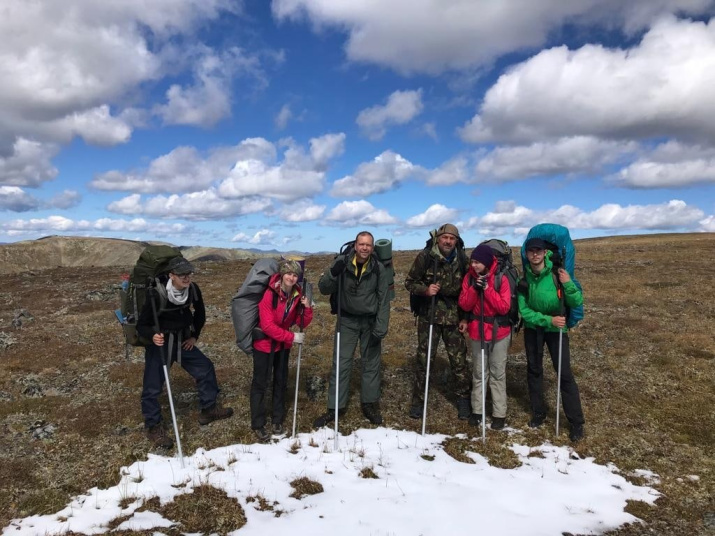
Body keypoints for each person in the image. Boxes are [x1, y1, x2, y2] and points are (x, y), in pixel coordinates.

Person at [137, 257, 233, 449]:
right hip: (161, 344)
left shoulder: (193, 290)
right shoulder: (157, 293)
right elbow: (142, 324)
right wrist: (153, 336)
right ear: (171, 275)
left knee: (205, 368)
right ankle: (153, 426)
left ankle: (208, 409)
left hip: (182, 340)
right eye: (182, 274)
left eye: (189, 273)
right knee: (153, 386)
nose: (187, 277)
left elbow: (200, 314)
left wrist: (194, 336)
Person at [313, 231, 390, 428]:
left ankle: (369, 404)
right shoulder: (342, 263)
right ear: (355, 246)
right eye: (361, 244)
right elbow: (323, 288)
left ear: (372, 248)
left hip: (370, 321)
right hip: (346, 320)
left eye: (368, 245)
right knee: (341, 363)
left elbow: (383, 300)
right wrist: (333, 273)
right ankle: (335, 407)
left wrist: (381, 326)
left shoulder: (379, 269)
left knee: (371, 363)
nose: (365, 248)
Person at [519, 237, 585, 442]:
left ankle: (576, 422)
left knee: (564, 374)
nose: (535, 254)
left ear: (545, 252)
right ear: (527, 254)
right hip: (534, 329)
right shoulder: (524, 280)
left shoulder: (559, 274)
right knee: (534, 371)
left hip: (557, 331)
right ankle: (538, 412)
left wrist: (568, 284)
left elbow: (576, 301)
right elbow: (524, 310)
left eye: (539, 250)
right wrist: (549, 320)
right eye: (531, 251)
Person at [405, 223, 471, 420]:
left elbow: (468, 291)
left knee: (459, 361)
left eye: (452, 238)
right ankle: (418, 402)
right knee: (424, 360)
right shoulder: (426, 257)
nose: (448, 241)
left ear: (456, 241)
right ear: (438, 239)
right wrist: (425, 290)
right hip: (429, 315)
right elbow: (409, 282)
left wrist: (466, 317)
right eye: (445, 238)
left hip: (454, 317)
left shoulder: (462, 259)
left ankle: (463, 401)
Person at [250, 260, 313, 443]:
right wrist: (291, 337)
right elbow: (267, 326)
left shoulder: (297, 295)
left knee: (280, 381)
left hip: (282, 346)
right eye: (288, 274)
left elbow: (302, 322)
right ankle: (258, 424)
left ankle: (277, 420)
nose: (291, 277)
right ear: (282, 274)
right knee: (260, 383)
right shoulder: (270, 294)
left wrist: (307, 308)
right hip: (264, 345)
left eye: (295, 275)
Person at [458, 244, 512, 430]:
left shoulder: (501, 279)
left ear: (487, 262)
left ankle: (499, 414)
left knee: (497, 372)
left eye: (478, 262)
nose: (474, 265)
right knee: (479, 372)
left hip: (499, 332)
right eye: (472, 261)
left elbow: (504, 307)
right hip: (477, 331)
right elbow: (464, 305)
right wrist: (474, 289)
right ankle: (477, 411)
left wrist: (488, 289)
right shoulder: (469, 278)